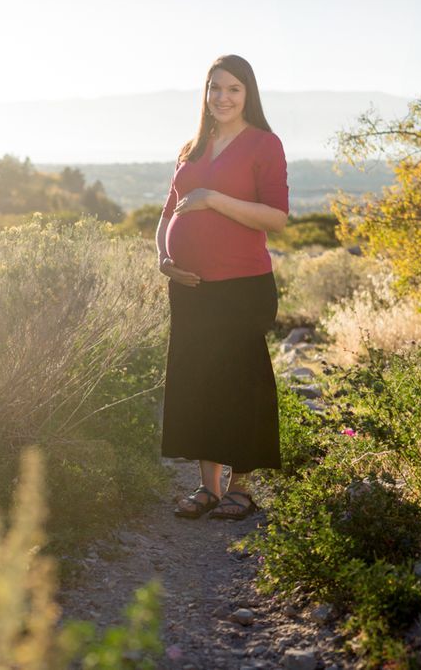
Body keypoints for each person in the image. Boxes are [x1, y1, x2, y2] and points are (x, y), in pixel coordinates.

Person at [156, 53, 290, 520]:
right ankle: (207, 487)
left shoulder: (263, 144)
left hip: (241, 285)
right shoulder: (191, 146)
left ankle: (242, 487)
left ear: (248, 93)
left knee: (240, 383)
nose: (222, 97)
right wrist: (164, 258)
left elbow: (276, 216)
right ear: (205, 93)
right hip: (190, 286)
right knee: (198, 381)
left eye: (233, 88)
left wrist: (213, 198)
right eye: (215, 88)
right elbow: (169, 210)